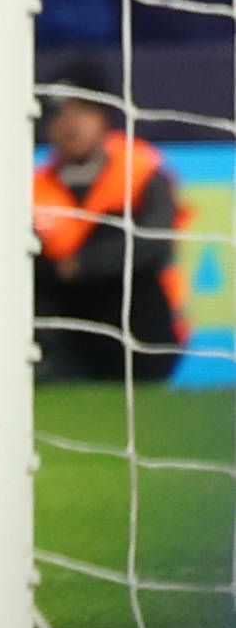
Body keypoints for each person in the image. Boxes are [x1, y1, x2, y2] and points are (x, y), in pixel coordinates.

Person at [35, 61, 188, 385]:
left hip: (138, 320)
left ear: (103, 114)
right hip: (67, 327)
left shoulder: (141, 169)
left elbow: (156, 244)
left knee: (125, 246)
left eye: (82, 111)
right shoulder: (35, 186)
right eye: (58, 114)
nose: (70, 125)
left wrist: (82, 265)